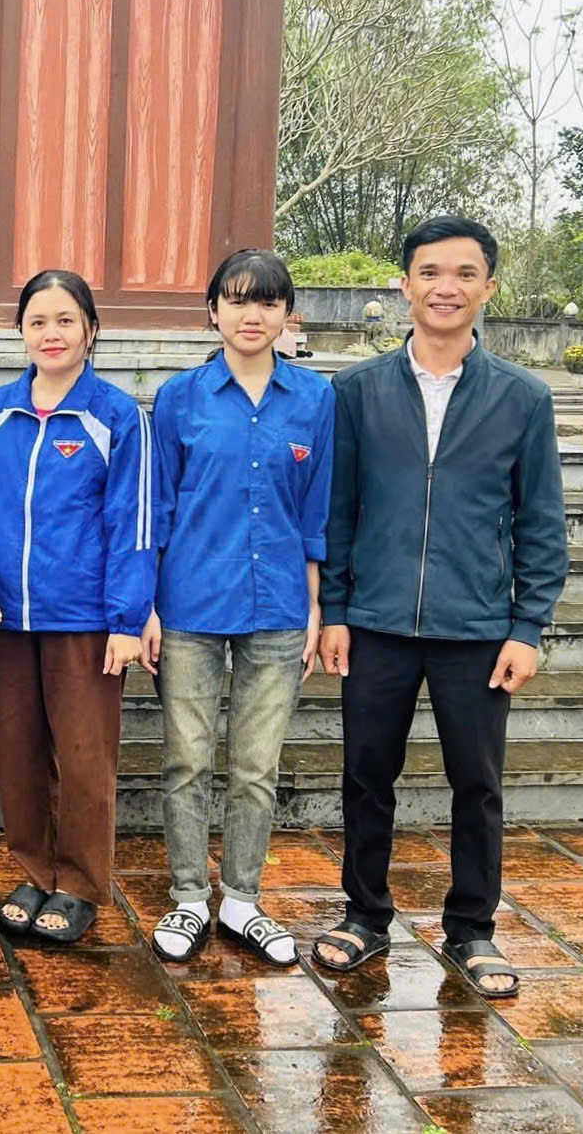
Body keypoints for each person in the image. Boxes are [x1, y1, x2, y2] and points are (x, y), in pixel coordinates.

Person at [312, 216, 567, 999]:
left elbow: (540, 522)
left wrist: (527, 627)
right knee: (366, 776)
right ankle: (364, 915)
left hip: (477, 627)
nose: (445, 288)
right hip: (376, 623)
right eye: (429, 272)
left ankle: (472, 928)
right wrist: (336, 611)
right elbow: (339, 512)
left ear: (489, 287)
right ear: (405, 286)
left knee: (478, 784)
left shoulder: (522, 398)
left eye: (463, 273)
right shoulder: (356, 392)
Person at [142, 249, 333, 967]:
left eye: (267, 302)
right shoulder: (180, 398)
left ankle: (243, 899)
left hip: (278, 606)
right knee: (187, 760)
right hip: (189, 603)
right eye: (237, 299)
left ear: (287, 314)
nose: (252, 315)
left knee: (256, 766)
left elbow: (316, 511)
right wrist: (147, 607)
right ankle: (190, 895)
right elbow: (158, 508)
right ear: (213, 311)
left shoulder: (315, 399)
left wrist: (314, 606)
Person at [0, 269, 156, 945]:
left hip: (86, 619)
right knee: (17, 752)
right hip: (11, 618)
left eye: (65, 320)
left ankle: (79, 882)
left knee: (82, 757)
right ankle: (34, 870)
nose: (51, 333)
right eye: (38, 321)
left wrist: (127, 619)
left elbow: (133, 521)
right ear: (20, 331)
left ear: (91, 331)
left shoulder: (116, 416)